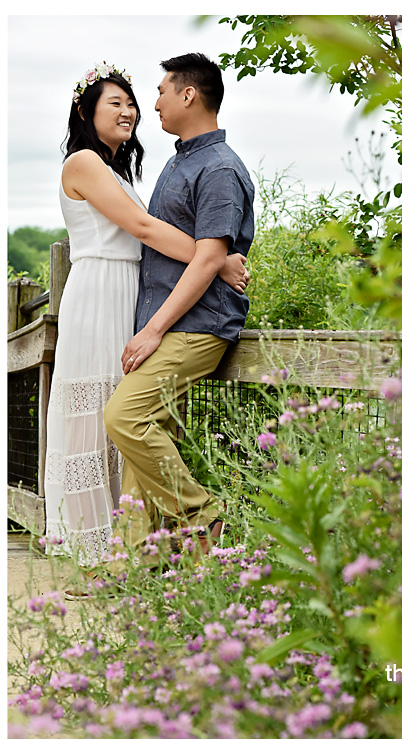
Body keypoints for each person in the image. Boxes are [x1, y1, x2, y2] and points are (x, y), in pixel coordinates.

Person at [44, 61, 248, 570]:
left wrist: (209, 259)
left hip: (132, 300)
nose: (134, 109)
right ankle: (95, 548)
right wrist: (217, 259)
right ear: (85, 112)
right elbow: (143, 226)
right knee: (103, 420)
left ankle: (129, 558)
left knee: (124, 422)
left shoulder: (126, 169)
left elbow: (152, 230)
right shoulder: (85, 162)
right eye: (116, 103)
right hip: (99, 295)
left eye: (135, 100)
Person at [102, 52, 256, 563]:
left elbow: (210, 257)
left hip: (197, 326)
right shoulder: (181, 159)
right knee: (148, 431)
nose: (155, 103)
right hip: (168, 325)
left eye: (163, 91)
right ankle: (135, 562)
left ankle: (200, 518)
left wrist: (153, 331)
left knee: (125, 417)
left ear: (189, 95)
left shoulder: (219, 168)